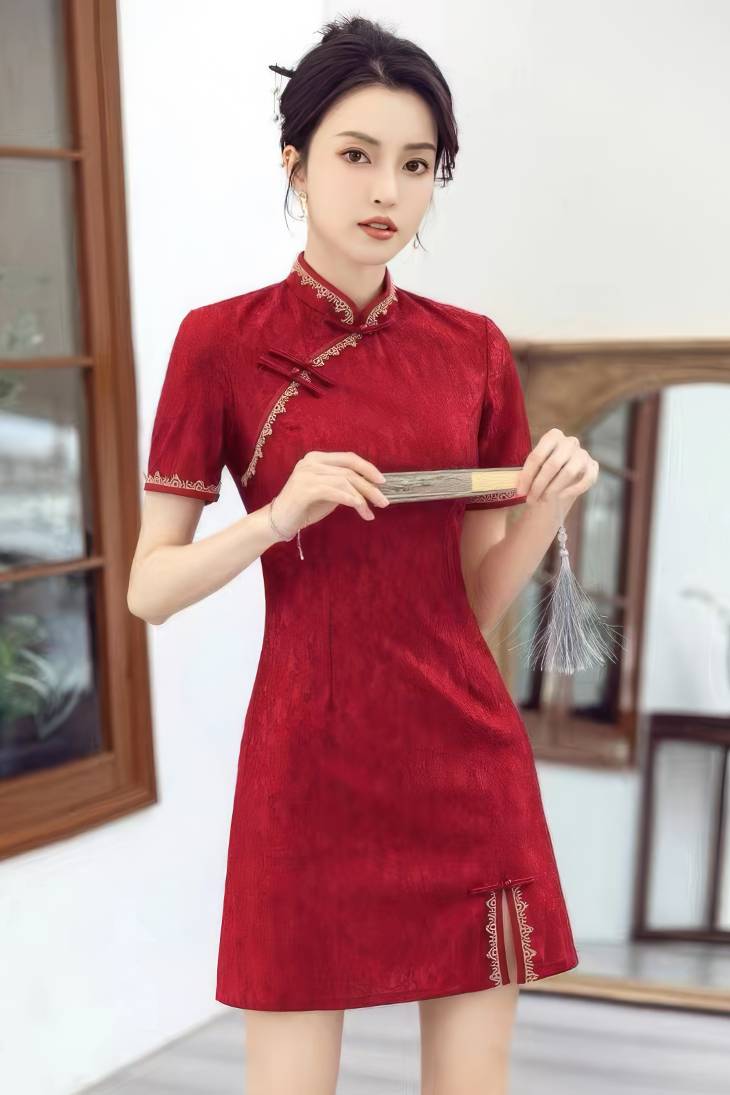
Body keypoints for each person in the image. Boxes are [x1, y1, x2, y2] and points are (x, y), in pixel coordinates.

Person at [128, 14, 599, 1095]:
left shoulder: (473, 350)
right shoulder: (218, 343)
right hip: (307, 765)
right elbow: (149, 589)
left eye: (417, 165)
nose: (387, 190)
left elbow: (468, 605)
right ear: (294, 163)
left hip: (465, 765)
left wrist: (543, 510)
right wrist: (274, 518)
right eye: (356, 155)